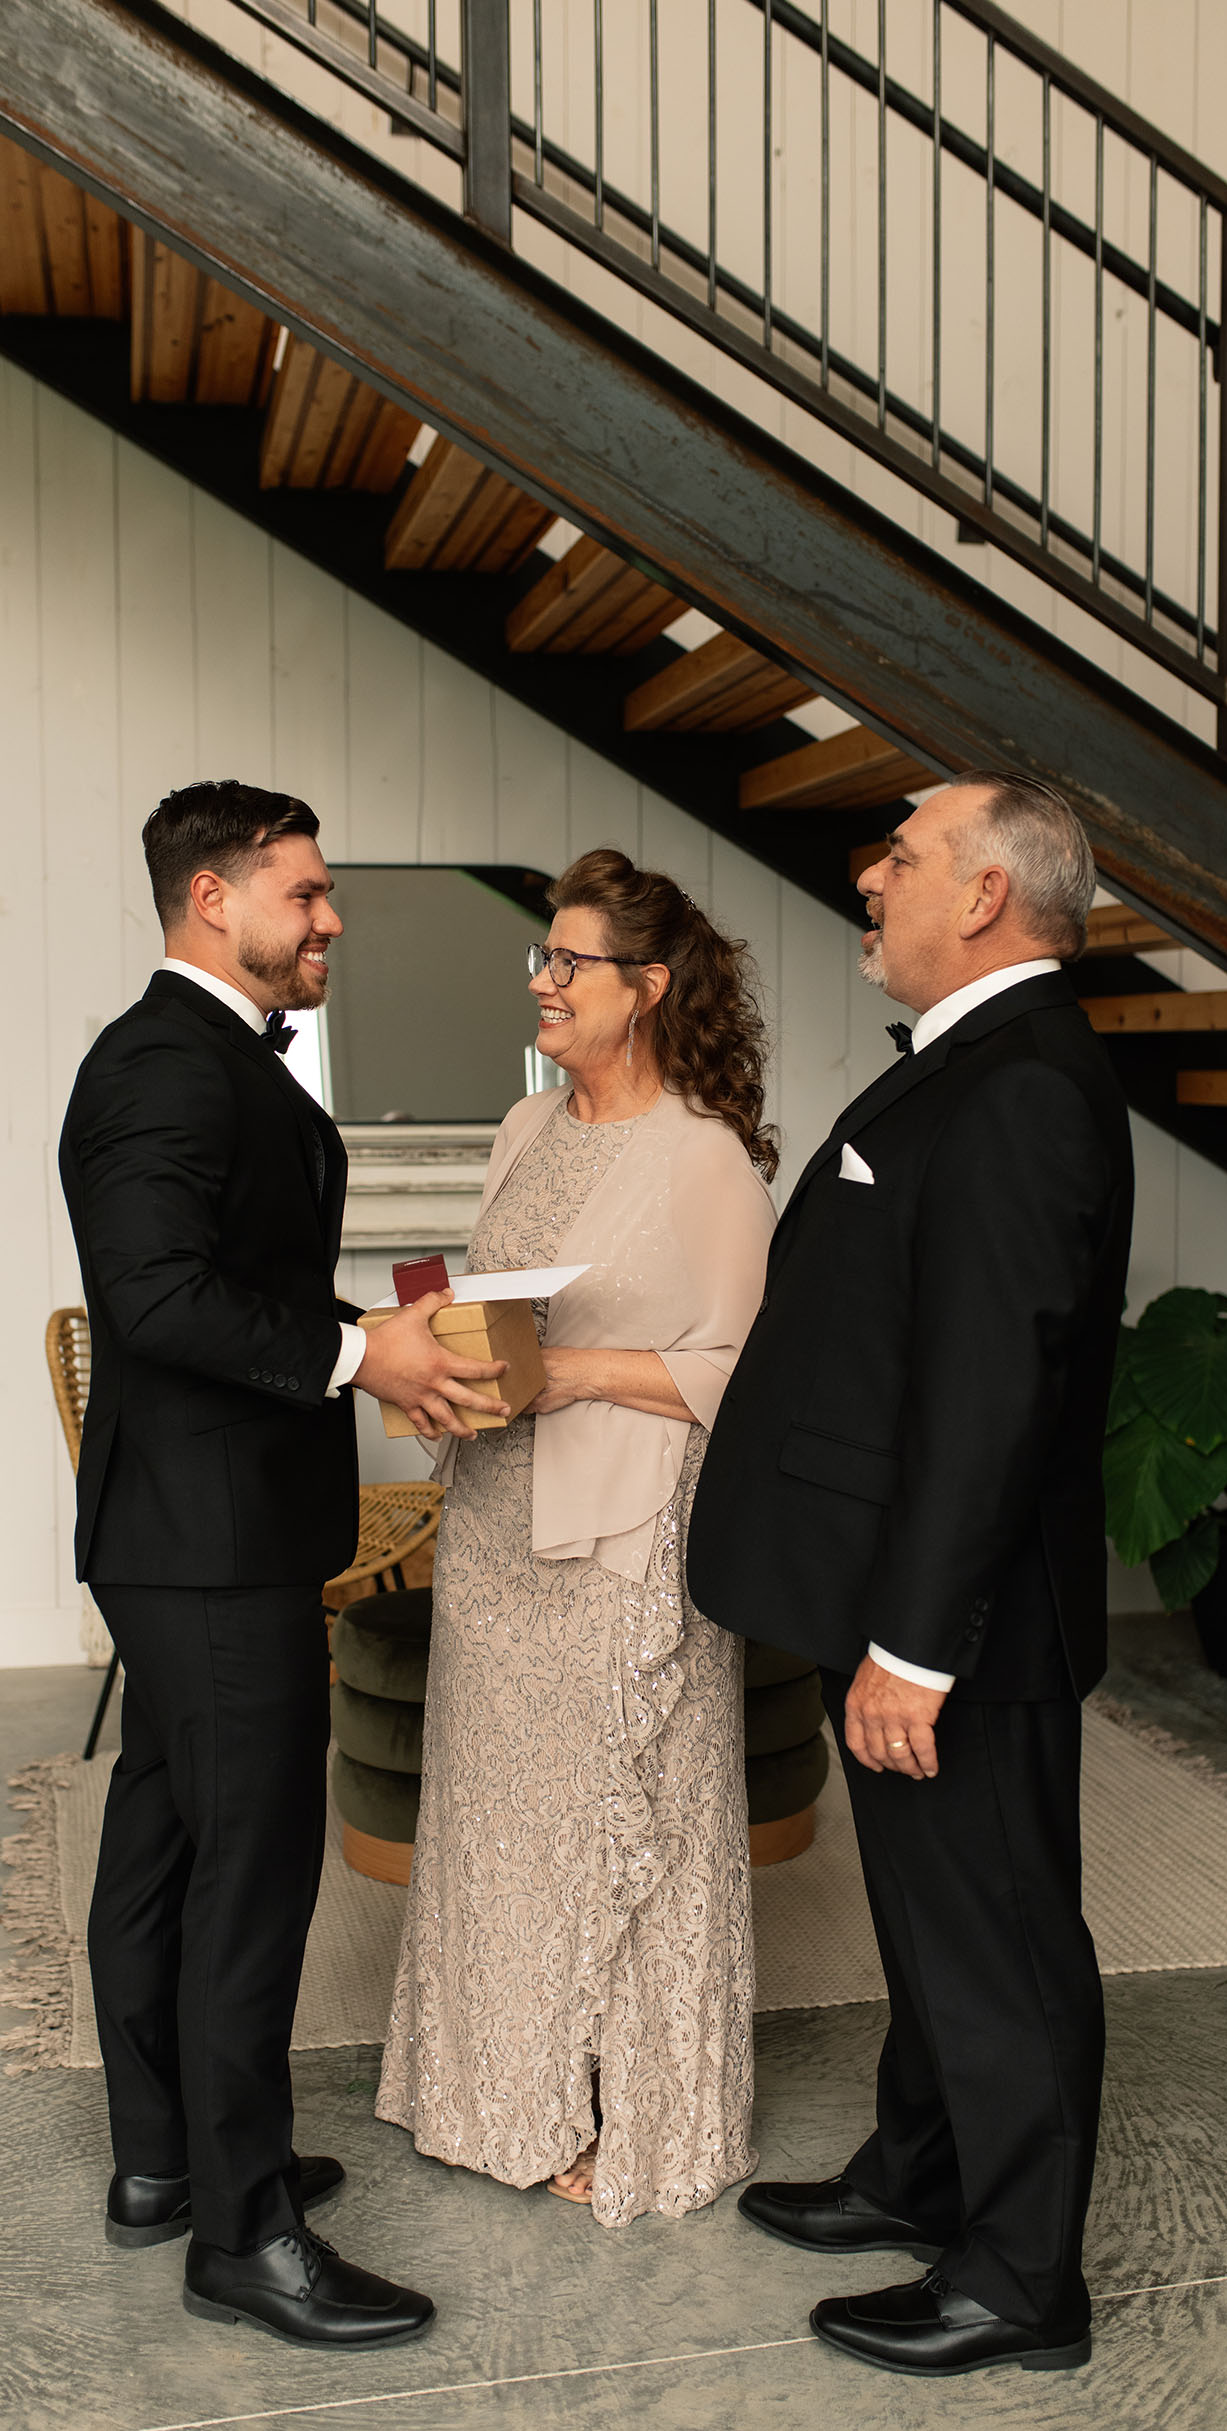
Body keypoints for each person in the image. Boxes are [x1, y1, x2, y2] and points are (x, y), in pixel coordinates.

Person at [688, 775, 1133, 2376]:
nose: (870, 876)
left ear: (989, 896)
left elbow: (986, 1394)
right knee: (932, 1920)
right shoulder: (979, 1064)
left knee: (997, 1940)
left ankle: (1018, 2283)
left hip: (966, 1621)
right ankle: (921, 2168)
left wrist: (918, 1648)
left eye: (904, 854)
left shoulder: (1021, 1088)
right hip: (914, 1594)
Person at [59, 779, 509, 2350]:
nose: (332, 918)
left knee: (171, 1848)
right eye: (306, 893)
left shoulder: (203, 1062)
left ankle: (165, 2161)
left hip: (199, 1529)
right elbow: (158, 1300)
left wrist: (375, 1330)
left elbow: (218, 1270)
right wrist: (356, 1354)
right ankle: (245, 2238)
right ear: (214, 899)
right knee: (247, 1875)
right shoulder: (160, 1070)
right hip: (206, 1541)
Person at [376, 849, 778, 2225]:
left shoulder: (704, 1159)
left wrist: (577, 1375)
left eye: (568, 963)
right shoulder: (519, 1129)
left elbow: (743, 1369)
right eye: (539, 959)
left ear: (647, 989)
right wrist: (450, 1363)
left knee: (628, 1819)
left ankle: (643, 2117)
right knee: (501, 1817)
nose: (541, 982)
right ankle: (494, 2096)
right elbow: (508, 1306)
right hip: (493, 1521)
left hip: (625, 1535)